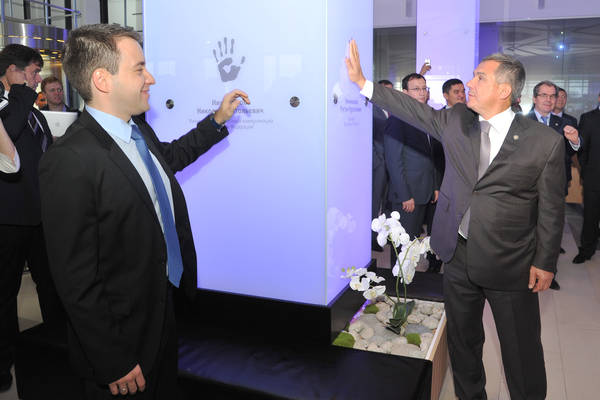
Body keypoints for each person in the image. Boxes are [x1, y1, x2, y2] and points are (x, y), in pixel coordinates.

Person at [39, 24, 249, 399]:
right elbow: (75, 280)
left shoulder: (137, 129)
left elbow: (169, 160)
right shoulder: (70, 160)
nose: (150, 78)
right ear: (102, 80)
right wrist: (112, 359)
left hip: (160, 314)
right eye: (139, 69)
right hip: (121, 344)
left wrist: (216, 121)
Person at [346, 40, 564, 400]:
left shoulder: (544, 142)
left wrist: (545, 261)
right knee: (464, 345)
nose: (470, 83)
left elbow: (552, 209)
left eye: (480, 77)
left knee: (521, 351)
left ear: (504, 90)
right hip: (457, 255)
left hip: (510, 262)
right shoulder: (457, 120)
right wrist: (364, 84)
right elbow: (413, 110)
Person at [0, 44, 63, 393]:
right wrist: (21, 93)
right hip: (8, 221)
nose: (38, 79)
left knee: (52, 285)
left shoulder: (34, 113)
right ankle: (4, 361)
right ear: (12, 71)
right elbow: (7, 134)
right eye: (34, 72)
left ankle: (56, 347)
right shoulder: (10, 107)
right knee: (5, 294)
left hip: (42, 217)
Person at [384, 73, 440, 272]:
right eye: (416, 89)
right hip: (407, 195)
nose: (422, 93)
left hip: (425, 190)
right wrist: (404, 194)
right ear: (405, 92)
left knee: (414, 241)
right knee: (403, 244)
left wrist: (434, 185)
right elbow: (393, 161)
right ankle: (399, 283)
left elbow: (431, 155)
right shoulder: (398, 120)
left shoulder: (426, 116)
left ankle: (409, 280)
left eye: (424, 88)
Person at [526, 80, 580, 279]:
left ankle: (549, 272)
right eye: (544, 95)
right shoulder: (522, 122)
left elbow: (571, 151)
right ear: (534, 98)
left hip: (554, 187)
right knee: (528, 230)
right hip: (527, 187)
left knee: (551, 231)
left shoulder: (564, 123)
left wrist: (575, 141)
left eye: (552, 96)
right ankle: (526, 269)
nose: (549, 99)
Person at [573, 93, 600, 264]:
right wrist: (587, 171)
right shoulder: (588, 118)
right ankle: (586, 250)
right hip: (594, 178)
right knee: (591, 217)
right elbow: (581, 149)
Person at [372, 79, 392, 250]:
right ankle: (372, 239)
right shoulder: (372, 110)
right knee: (375, 202)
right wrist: (378, 158)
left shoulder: (394, 110)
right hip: (379, 164)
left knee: (387, 202)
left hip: (392, 164)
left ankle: (385, 235)